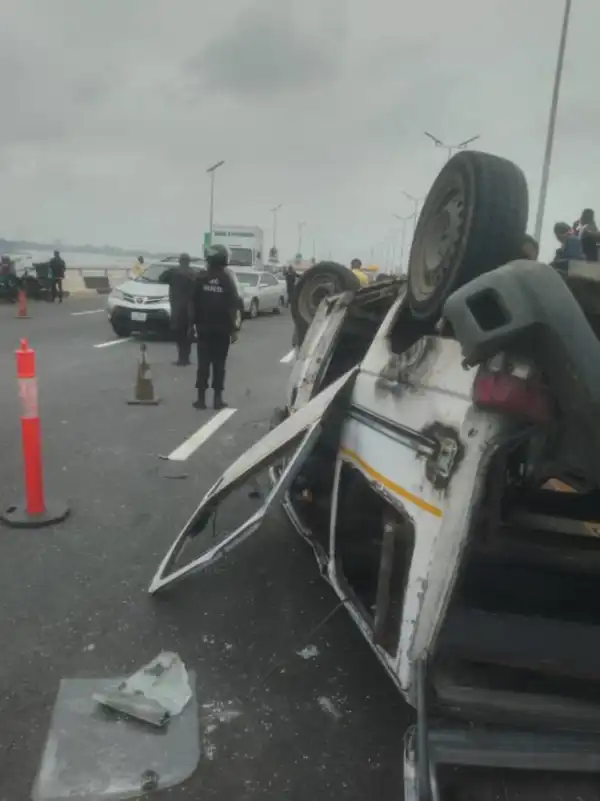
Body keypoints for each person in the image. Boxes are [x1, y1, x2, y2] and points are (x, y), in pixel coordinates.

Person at [192, 244, 241, 410]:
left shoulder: (200, 277)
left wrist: (191, 326)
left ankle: (200, 399)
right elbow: (234, 305)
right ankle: (218, 399)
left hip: (203, 329)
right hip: (222, 331)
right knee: (219, 365)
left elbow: (191, 304)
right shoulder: (227, 279)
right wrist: (235, 329)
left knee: (203, 365)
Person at [159, 253, 196, 366]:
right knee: (188, 334)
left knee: (179, 334)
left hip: (177, 307)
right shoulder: (193, 274)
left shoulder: (174, 272)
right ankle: (186, 358)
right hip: (190, 308)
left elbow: (161, 278)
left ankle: (181, 358)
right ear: (189, 261)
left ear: (180, 261)